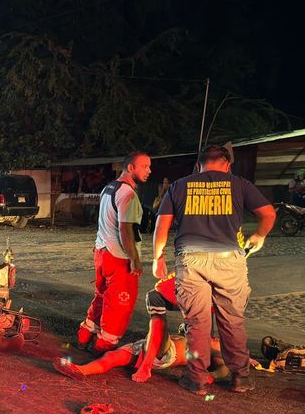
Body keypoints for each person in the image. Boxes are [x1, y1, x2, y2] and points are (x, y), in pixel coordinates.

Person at [153, 144, 276, 395]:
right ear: (227, 164)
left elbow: (161, 226)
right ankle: (240, 378)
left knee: (196, 323)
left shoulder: (179, 186)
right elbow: (268, 214)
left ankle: (196, 378)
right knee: (232, 321)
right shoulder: (239, 183)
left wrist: (158, 258)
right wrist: (258, 236)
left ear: (199, 165)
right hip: (229, 261)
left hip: (191, 260)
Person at [55, 272, 230, 382]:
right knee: (112, 357)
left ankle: (145, 365)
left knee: (160, 325)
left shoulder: (212, 348)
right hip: (144, 346)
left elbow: (224, 368)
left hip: (163, 355)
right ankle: (81, 370)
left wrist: (212, 376)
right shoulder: (199, 337)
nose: (215, 338)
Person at [77, 151, 152, 353]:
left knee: (101, 296)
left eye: (149, 166)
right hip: (118, 256)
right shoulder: (128, 194)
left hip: (102, 252)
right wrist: (134, 259)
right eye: (144, 166)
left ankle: (85, 335)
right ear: (130, 168)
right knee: (120, 304)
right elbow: (125, 229)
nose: (149, 171)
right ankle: (104, 345)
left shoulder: (109, 188)